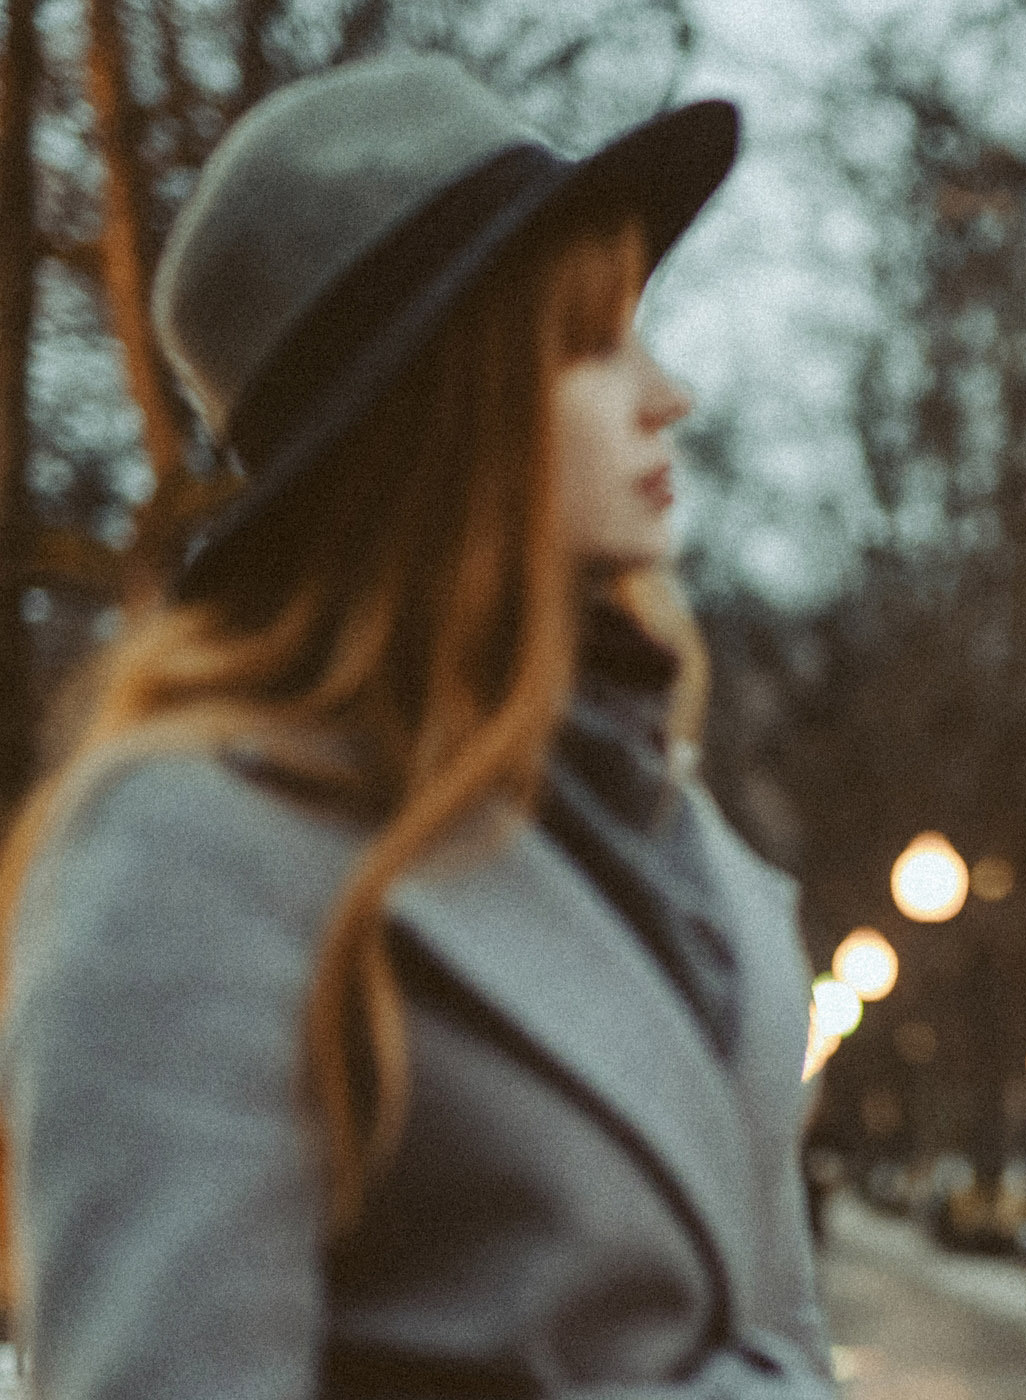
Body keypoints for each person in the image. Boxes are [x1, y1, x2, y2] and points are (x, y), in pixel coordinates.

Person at [0, 56, 834, 1398]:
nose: (666, 391)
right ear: (446, 402)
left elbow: (781, 1340)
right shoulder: (188, 851)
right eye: (593, 341)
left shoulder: (684, 842)